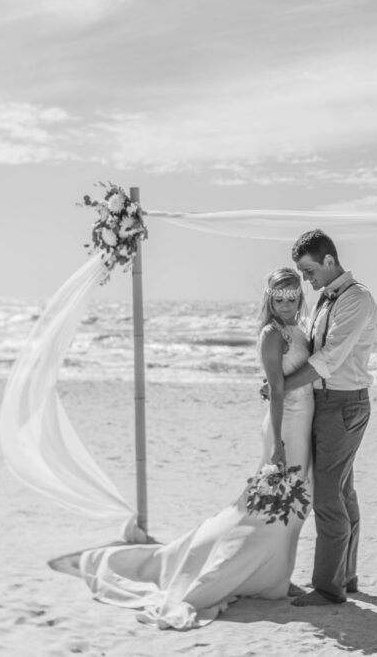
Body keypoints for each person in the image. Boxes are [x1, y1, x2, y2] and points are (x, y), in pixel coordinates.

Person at [76, 268, 314, 629]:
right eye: (278, 299)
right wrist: (278, 444)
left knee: (293, 508)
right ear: (269, 299)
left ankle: (273, 580)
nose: (285, 305)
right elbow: (277, 391)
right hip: (286, 429)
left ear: (300, 297)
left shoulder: (298, 329)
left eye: (292, 298)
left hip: (302, 425)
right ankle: (232, 575)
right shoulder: (271, 334)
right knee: (270, 509)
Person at [284, 229, 377, 607]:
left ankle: (328, 587)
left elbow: (329, 360)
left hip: (343, 404)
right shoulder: (326, 298)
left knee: (326, 495)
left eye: (309, 271)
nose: (307, 280)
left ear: (328, 260)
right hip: (328, 403)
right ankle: (346, 575)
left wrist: (284, 385)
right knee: (342, 491)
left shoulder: (357, 299)